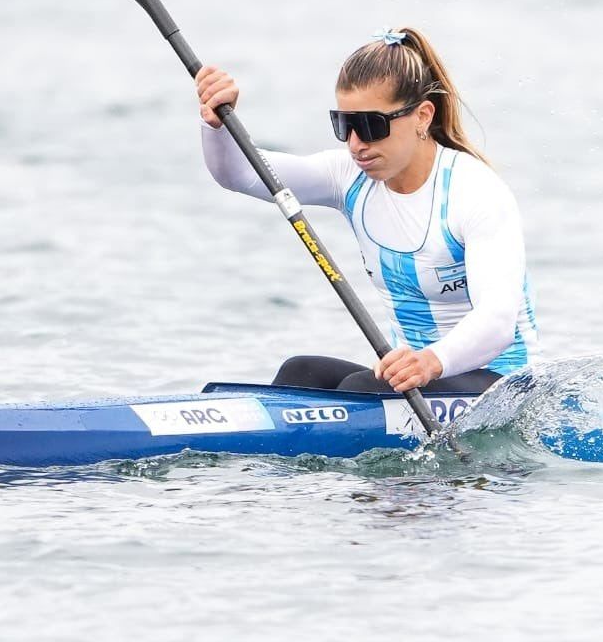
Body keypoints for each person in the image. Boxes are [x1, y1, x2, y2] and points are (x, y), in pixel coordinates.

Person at [193, 27, 538, 396]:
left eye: (371, 125)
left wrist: (429, 362)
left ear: (422, 116)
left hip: (502, 385)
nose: (356, 144)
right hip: (414, 378)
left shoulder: (474, 192)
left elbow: (497, 322)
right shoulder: (349, 178)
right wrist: (216, 123)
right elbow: (241, 174)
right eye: (345, 125)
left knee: (361, 388)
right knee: (301, 372)